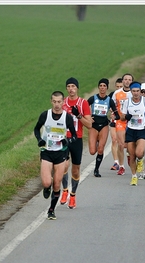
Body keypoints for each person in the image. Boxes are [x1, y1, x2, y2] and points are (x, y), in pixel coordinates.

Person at [33, 91, 77, 220]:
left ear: (63, 102)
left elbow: (74, 136)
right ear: (51, 101)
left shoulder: (67, 117)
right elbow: (36, 129)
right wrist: (39, 140)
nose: (57, 104)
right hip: (46, 152)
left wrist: (67, 141)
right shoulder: (45, 115)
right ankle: (46, 188)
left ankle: (51, 210)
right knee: (47, 182)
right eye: (54, 101)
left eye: (59, 102)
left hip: (61, 153)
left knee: (57, 185)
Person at [60, 77, 92, 209]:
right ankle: (65, 190)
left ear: (77, 88)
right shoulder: (62, 103)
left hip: (77, 140)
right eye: (68, 86)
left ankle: (73, 195)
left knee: (76, 169)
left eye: (73, 86)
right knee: (63, 165)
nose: (71, 89)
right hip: (64, 139)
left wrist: (78, 115)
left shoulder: (83, 103)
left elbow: (89, 124)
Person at [120, 81, 145, 186]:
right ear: (131, 92)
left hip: (142, 130)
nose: (136, 93)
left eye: (137, 91)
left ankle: (140, 160)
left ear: (140, 91)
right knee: (132, 155)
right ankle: (134, 176)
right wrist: (126, 117)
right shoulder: (127, 102)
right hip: (131, 130)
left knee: (139, 153)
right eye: (133, 91)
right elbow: (122, 116)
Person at [87, 78, 120, 177]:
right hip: (94, 125)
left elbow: (117, 114)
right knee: (93, 151)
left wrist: (114, 116)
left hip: (104, 125)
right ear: (98, 87)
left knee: (100, 149)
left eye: (104, 86)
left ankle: (96, 169)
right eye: (100, 86)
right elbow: (83, 107)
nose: (102, 88)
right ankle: (96, 141)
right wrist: (88, 117)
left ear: (107, 88)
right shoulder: (93, 98)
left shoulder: (109, 100)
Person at [112, 73, 134, 176]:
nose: (127, 81)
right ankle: (121, 167)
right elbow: (112, 106)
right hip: (120, 121)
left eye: (129, 79)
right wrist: (113, 115)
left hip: (132, 121)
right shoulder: (117, 93)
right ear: (123, 81)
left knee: (130, 145)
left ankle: (130, 155)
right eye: (125, 79)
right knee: (120, 144)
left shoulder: (134, 92)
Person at [108, 78, 123, 170]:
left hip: (124, 121)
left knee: (123, 143)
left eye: (120, 86)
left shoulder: (128, 94)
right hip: (114, 120)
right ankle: (116, 162)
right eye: (117, 86)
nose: (119, 88)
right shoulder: (112, 95)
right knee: (114, 140)